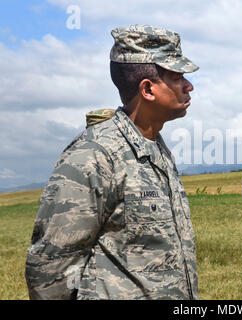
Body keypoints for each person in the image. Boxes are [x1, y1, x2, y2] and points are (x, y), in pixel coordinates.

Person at [25, 25, 199, 300]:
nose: (188, 86)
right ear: (148, 89)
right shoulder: (95, 155)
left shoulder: (155, 147)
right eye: (177, 77)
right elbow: (50, 270)